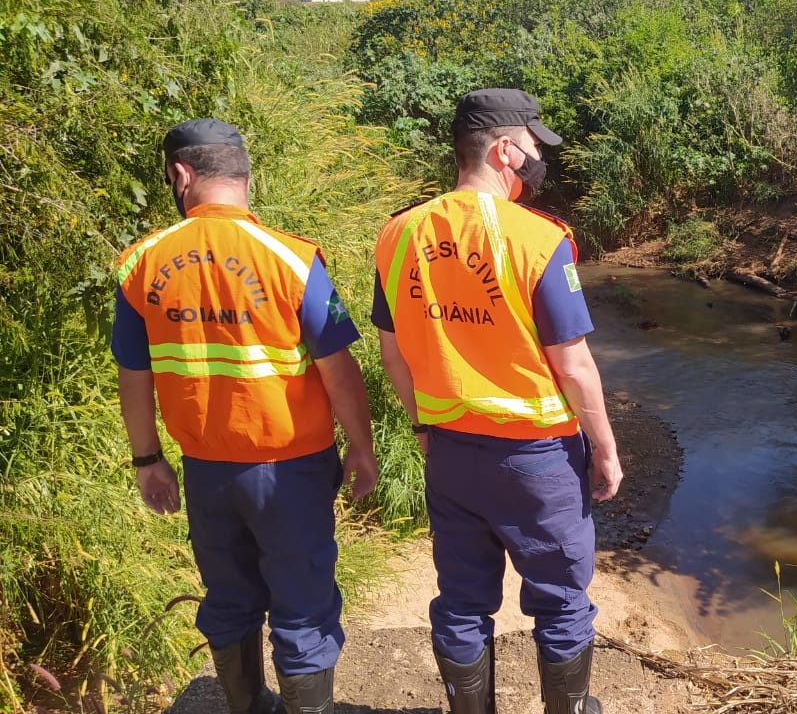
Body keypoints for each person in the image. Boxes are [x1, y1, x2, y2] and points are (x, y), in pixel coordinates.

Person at [111, 118, 378, 714]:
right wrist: (361, 447)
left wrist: (147, 460)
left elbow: (135, 375)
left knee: (228, 597)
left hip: (205, 469)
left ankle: (250, 705)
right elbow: (337, 369)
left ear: (181, 174)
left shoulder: (141, 263)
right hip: (292, 469)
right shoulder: (291, 258)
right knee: (302, 602)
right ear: (242, 176)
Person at [372, 88, 624, 714]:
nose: (540, 158)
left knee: (461, 598)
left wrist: (424, 423)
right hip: (537, 456)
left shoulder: (398, 234)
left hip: (452, 451)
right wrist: (606, 450)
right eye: (535, 146)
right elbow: (574, 364)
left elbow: (394, 353)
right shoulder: (539, 239)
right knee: (561, 599)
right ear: (506, 150)